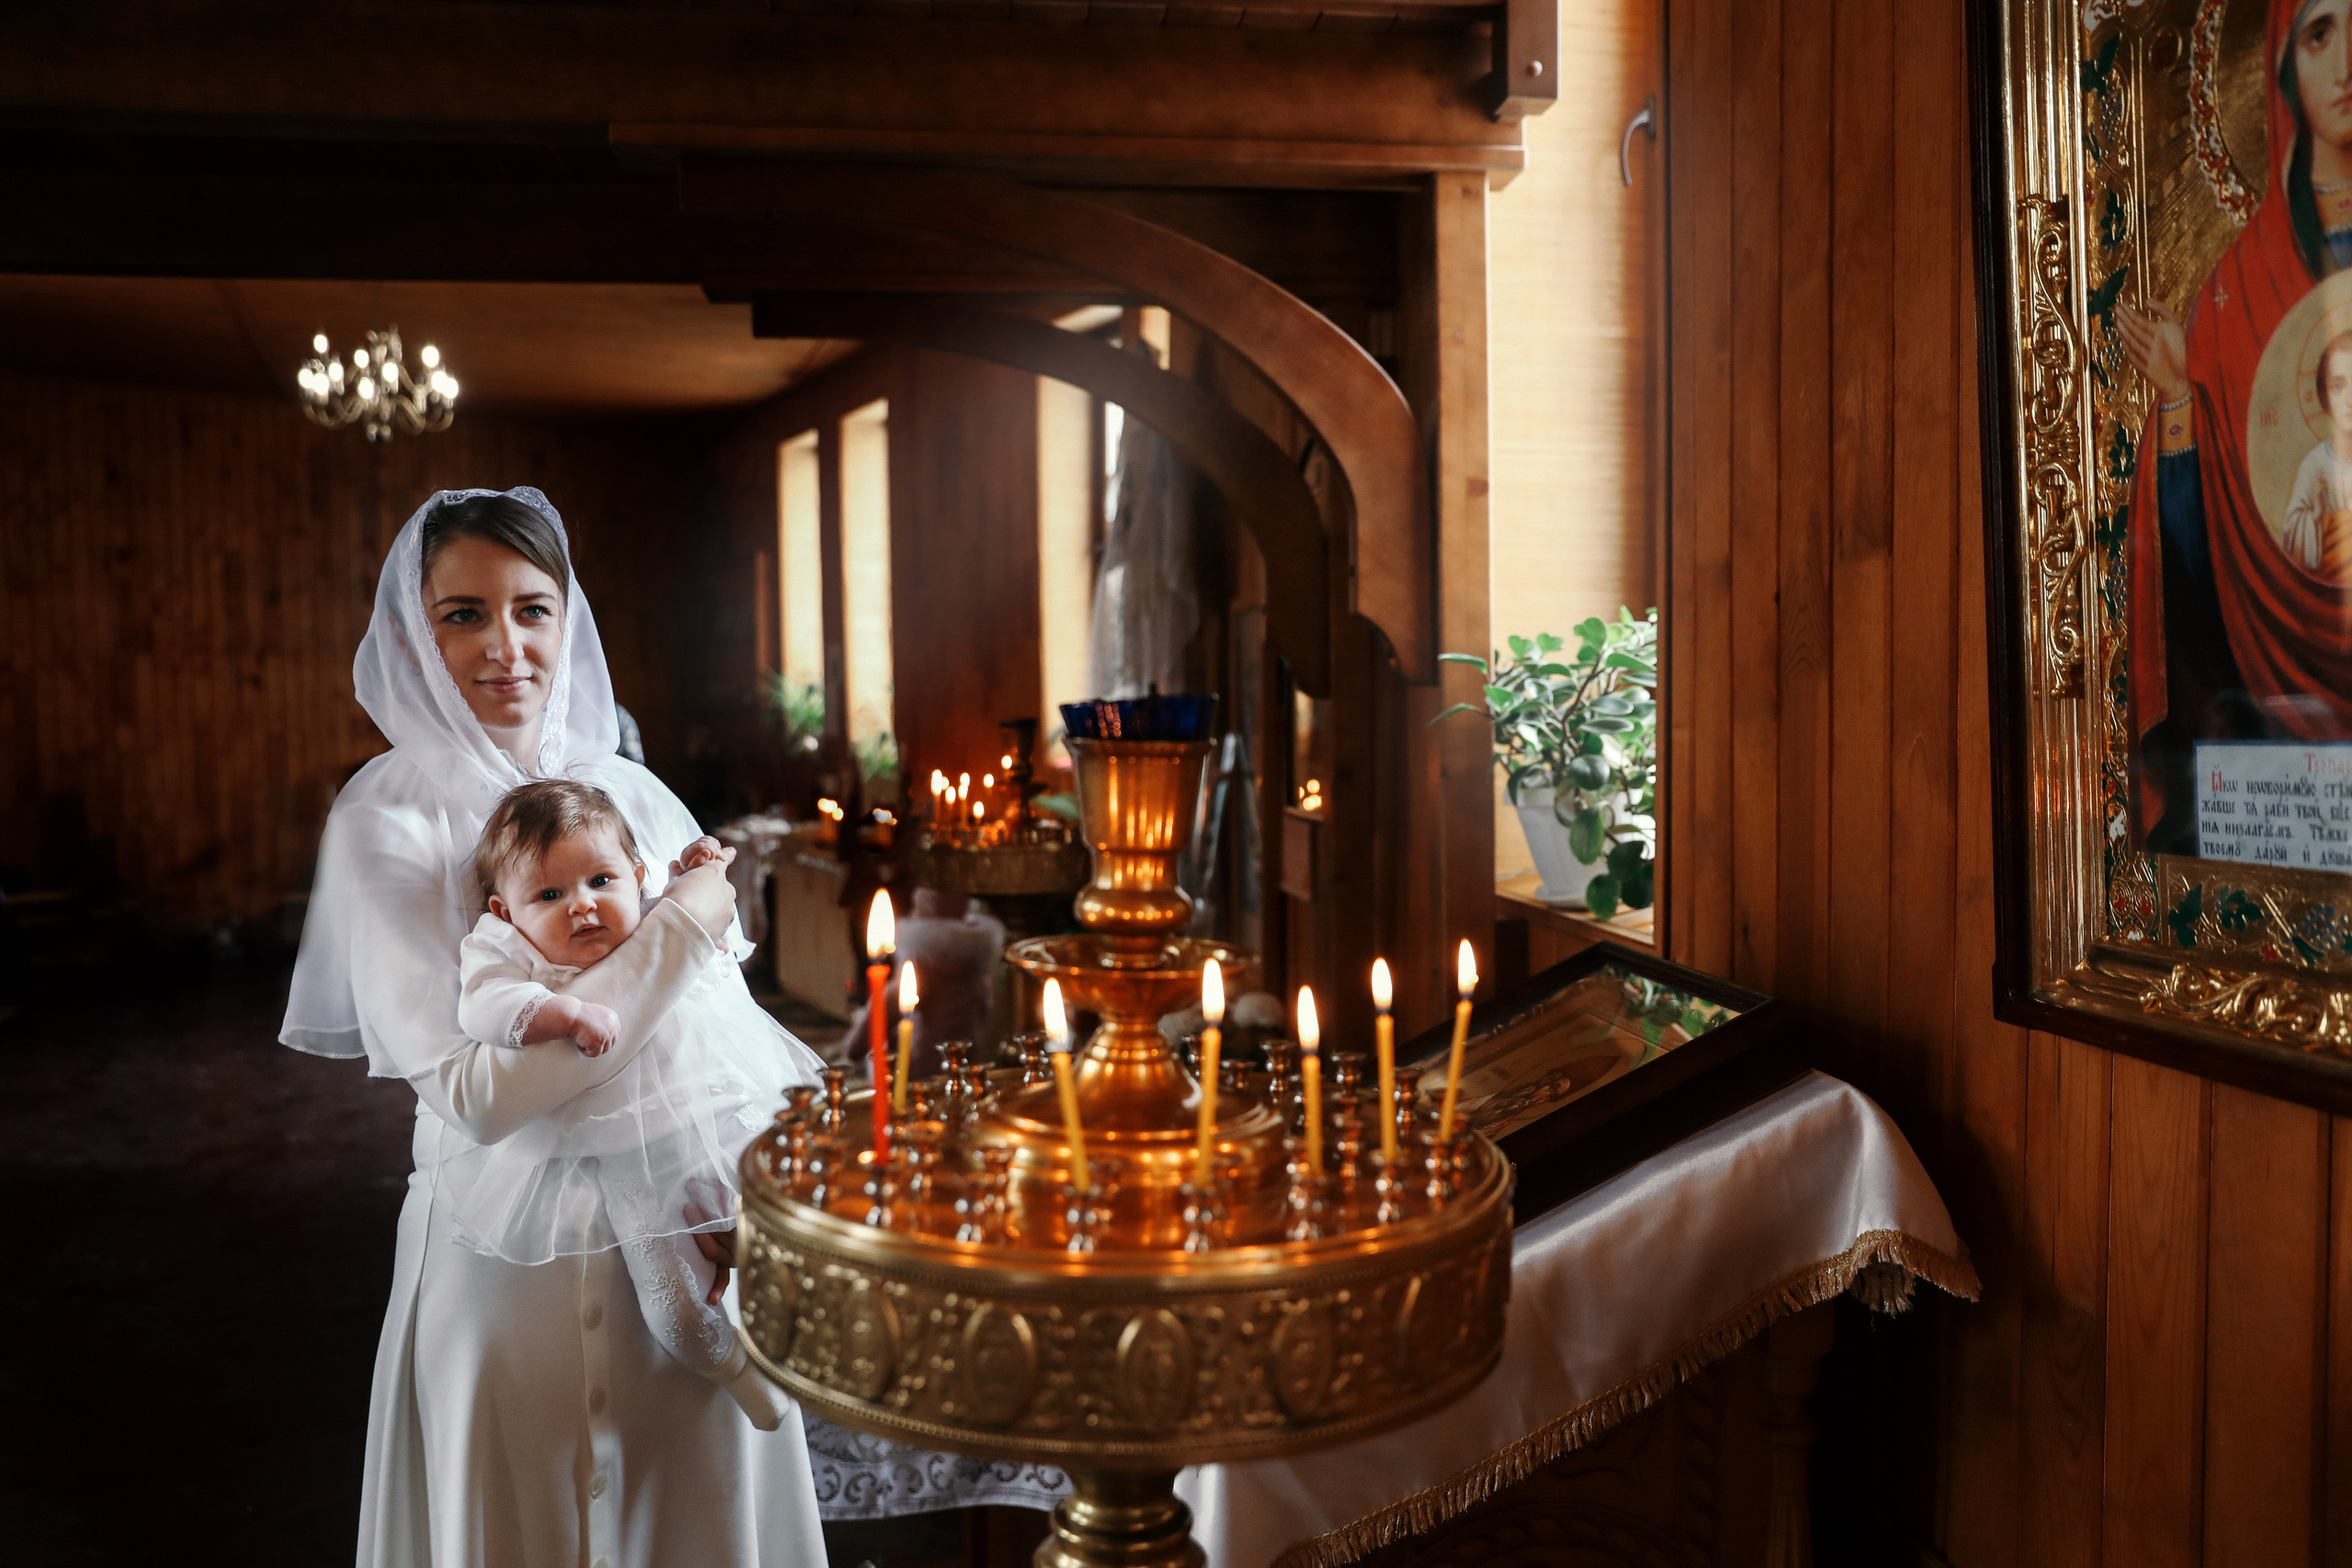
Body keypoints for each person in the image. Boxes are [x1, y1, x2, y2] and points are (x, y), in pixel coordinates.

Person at [278, 486, 825, 1568]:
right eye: (464, 614)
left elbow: (721, 1046)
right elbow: (480, 1096)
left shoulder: (637, 795)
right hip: (502, 1264)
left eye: (533, 608)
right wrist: (677, 929)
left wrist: (755, 1206)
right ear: (412, 632)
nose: (506, 646)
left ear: (568, 621)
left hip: (684, 1227)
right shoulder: (386, 820)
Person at [444, 778, 825, 1434]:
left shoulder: (648, 909)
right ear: (505, 913)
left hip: (713, 1108)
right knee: (675, 1308)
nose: (583, 907)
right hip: (623, 1149)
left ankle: (815, 1345)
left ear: (638, 875)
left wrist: (696, 869)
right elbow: (479, 1004)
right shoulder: (504, 950)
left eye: (600, 880)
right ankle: (742, 1376)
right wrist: (557, 1011)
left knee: (786, 1232)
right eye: (550, 894)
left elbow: (703, 922)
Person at [2115, 0, 2352, 852]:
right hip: (2268, 737)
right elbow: (2190, 565)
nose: (2347, 62)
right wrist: (2179, 401)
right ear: (2284, 64)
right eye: (2322, 33)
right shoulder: (2232, 293)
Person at [2281, 330, 2352, 576]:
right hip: (2330, 586)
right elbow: (2292, 537)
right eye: (2339, 386)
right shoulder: (2313, 466)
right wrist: (2316, 519)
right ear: (2324, 394)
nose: (2350, 400)